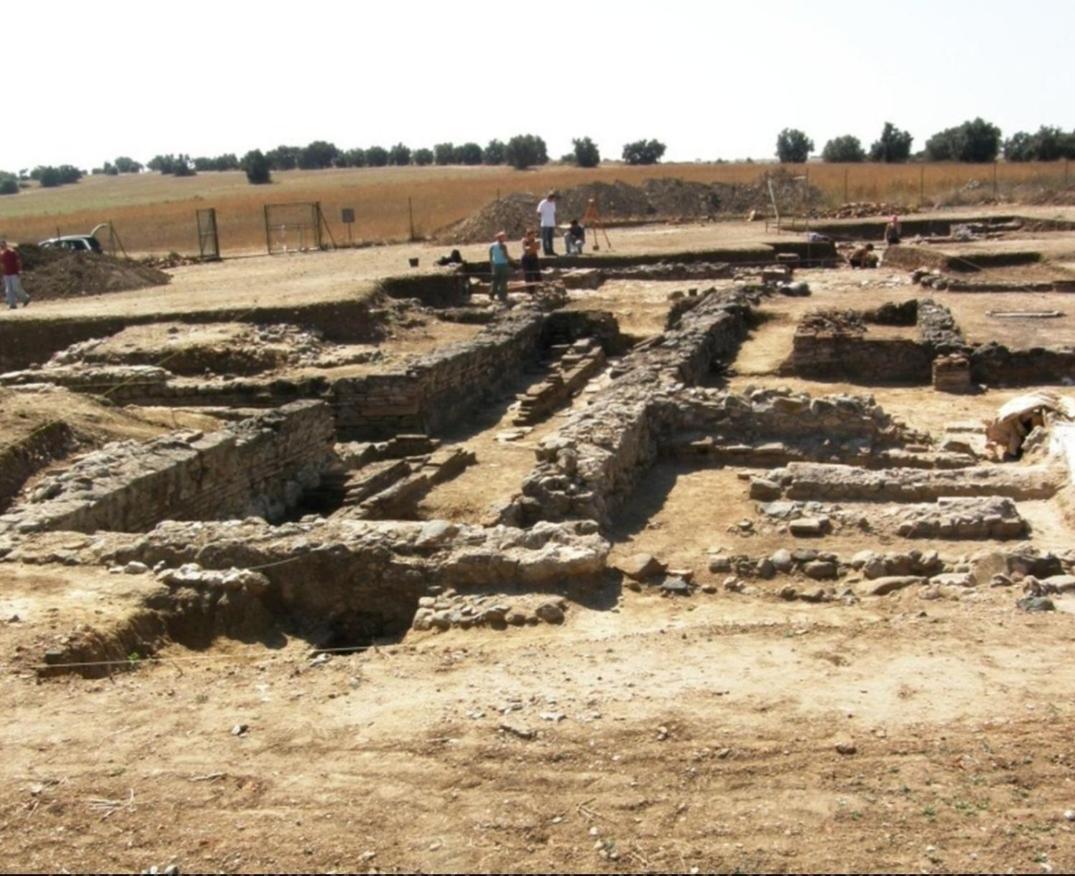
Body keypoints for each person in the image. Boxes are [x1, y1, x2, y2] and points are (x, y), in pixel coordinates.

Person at [0, 240, 29, 309]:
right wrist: (2, 273)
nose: (1, 247)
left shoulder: (12, 252)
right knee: (8, 290)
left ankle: (25, 298)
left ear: (5, 245)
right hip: (6, 274)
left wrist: (20, 270)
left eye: (2, 245)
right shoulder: (1, 254)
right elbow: (1, 264)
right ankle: (12, 305)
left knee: (16, 288)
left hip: (14, 272)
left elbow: (18, 261)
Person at [488, 231, 513, 303]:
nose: (505, 238)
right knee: (503, 281)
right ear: (501, 238)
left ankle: (491, 294)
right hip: (503, 265)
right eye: (504, 237)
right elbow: (506, 256)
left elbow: (490, 258)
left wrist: (492, 266)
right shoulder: (503, 246)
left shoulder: (491, 246)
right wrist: (514, 262)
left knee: (495, 280)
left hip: (495, 265)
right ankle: (502, 295)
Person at [536, 191, 558, 256]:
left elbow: (553, 212)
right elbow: (538, 212)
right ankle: (546, 252)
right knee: (545, 239)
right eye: (553, 198)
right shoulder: (543, 203)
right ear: (550, 197)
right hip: (545, 224)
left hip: (551, 223)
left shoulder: (553, 203)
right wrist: (541, 219)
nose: (554, 200)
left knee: (550, 239)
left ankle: (551, 251)